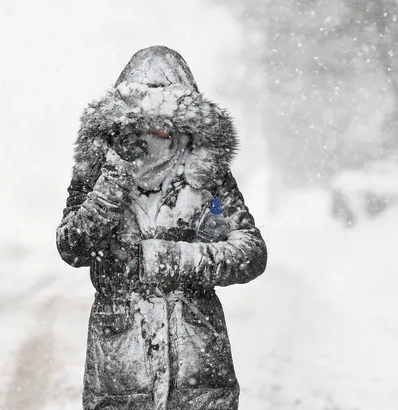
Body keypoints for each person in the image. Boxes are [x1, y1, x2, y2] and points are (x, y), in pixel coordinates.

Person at [56, 45, 267, 410]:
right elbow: (72, 246)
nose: (155, 132)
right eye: (143, 121)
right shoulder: (98, 172)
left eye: (165, 122)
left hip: (199, 375)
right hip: (121, 376)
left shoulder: (207, 177)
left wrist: (169, 259)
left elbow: (250, 252)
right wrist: (114, 179)